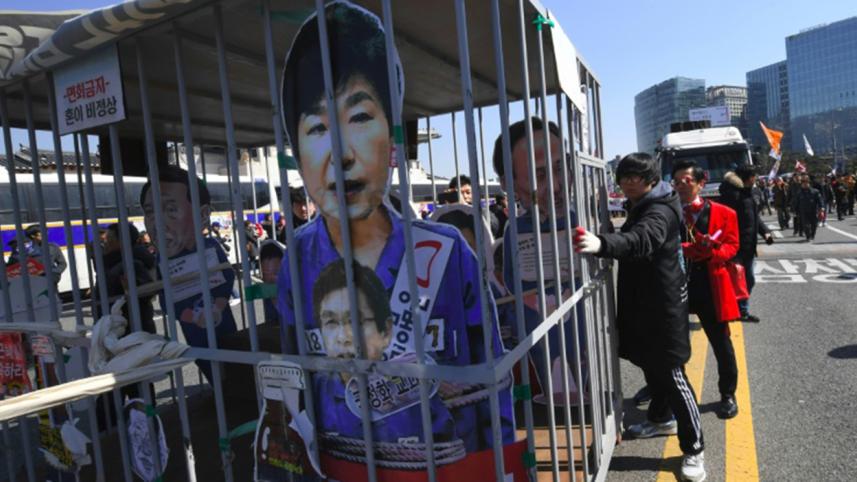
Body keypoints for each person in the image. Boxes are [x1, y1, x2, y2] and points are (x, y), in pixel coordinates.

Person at [277, 0, 513, 456]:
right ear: (296, 149)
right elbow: (292, 377)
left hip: (443, 461)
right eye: (317, 127)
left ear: (393, 134)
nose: (342, 152)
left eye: (360, 117)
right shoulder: (297, 259)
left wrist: (497, 457)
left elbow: (491, 366)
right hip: (341, 462)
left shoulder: (445, 251)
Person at [573, 153, 705, 482]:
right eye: (625, 176)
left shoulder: (658, 209)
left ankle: (694, 449)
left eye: (637, 176)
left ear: (651, 179)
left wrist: (601, 243)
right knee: (653, 367)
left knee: (672, 375)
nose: (629, 182)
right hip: (646, 304)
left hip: (663, 308)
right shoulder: (645, 203)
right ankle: (661, 419)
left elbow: (642, 240)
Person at [312, 259, 458, 445]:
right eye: (331, 322)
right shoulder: (314, 392)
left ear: (386, 331)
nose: (343, 337)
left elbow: (446, 452)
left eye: (356, 320)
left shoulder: (416, 387)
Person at [492, 116, 586, 405]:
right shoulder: (515, 229)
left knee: (579, 350)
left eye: (560, 169)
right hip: (535, 312)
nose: (557, 186)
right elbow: (510, 276)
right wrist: (534, 301)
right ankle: (554, 397)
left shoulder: (576, 219)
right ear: (509, 184)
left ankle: (585, 397)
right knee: (547, 355)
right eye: (539, 176)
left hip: (576, 304)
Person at [140, 165, 237, 381]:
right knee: (209, 366)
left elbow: (227, 277)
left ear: (202, 215)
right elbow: (169, 304)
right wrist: (193, 317)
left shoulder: (210, 247)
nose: (157, 223)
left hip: (223, 325)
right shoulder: (161, 261)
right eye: (150, 212)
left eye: (171, 210)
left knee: (235, 363)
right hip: (194, 332)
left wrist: (218, 307)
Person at [672, 160, 741, 419]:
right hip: (676, 286)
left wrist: (713, 253)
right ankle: (670, 391)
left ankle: (727, 394)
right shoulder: (667, 211)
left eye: (686, 181)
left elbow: (733, 245)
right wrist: (689, 250)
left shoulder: (725, 213)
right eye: (676, 181)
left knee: (721, 343)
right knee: (671, 344)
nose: (680, 186)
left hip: (711, 284)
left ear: (701, 183)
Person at [718, 165, 773, 323]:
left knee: (746, 280)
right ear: (748, 178)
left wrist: (765, 232)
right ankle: (734, 310)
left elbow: (754, 217)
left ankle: (739, 310)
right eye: (754, 176)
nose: (756, 179)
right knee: (736, 280)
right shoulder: (732, 195)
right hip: (733, 246)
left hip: (748, 246)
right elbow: (723, 220)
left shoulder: (750, 193)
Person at [795, 175, 824, 242]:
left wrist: (821, 208)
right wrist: (794, 210)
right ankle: (808, 236)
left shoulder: (815, 191)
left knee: (814, 224)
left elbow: (820, 200)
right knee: (806, 225)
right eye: (803, 182)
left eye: (806, 182)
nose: (804, 183)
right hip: (803, 211)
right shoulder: (799, 192)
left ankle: (812, 235)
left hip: (813, 211)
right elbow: (796, 202)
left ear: (809, 182)